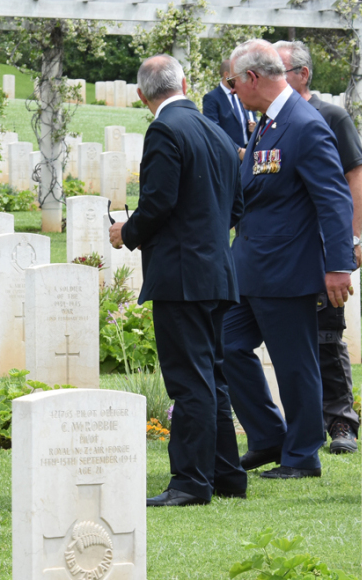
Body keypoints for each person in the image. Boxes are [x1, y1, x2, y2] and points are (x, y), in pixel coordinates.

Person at [109, 54, 246, 507]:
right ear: (184, 84)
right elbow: (236, 207)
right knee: (213, 376)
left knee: (189, 381)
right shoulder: (219, 132)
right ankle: (226, 474)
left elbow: (158, 202)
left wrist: (126, 232)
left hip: (182, 277)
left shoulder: (164, 129)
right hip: (217, 271)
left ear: (141, 95)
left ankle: (190, 482)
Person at [222, 39, 355, 480]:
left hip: (286, 269)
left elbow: (334, 199)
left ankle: (301, 455)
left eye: (233, 82)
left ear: (252, 78)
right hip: (250, 266)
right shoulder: (269, 121)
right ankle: (268, 437)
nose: (231, 90)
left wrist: (338, 266)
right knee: (226, 346)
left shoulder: (304, 124)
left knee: (295, 364)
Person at [272, 40, 362, 455]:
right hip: (285, 251)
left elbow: (355, 179)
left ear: (303, 74)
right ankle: (300, 424)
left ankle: (341, 421)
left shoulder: (330, 116)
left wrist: (352, 239)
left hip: (324, 247)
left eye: (279, 70)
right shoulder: (271, 121)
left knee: (328, 335)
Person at [202, 59, 257, 160]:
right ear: (227, 75)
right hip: (228, 156)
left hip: (250, 153)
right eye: (236, 74)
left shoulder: (243, 93)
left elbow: (253, 117)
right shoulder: (212, 98)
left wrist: (255, 127)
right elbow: (213, 131)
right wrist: (238, 151)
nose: (241, 78)